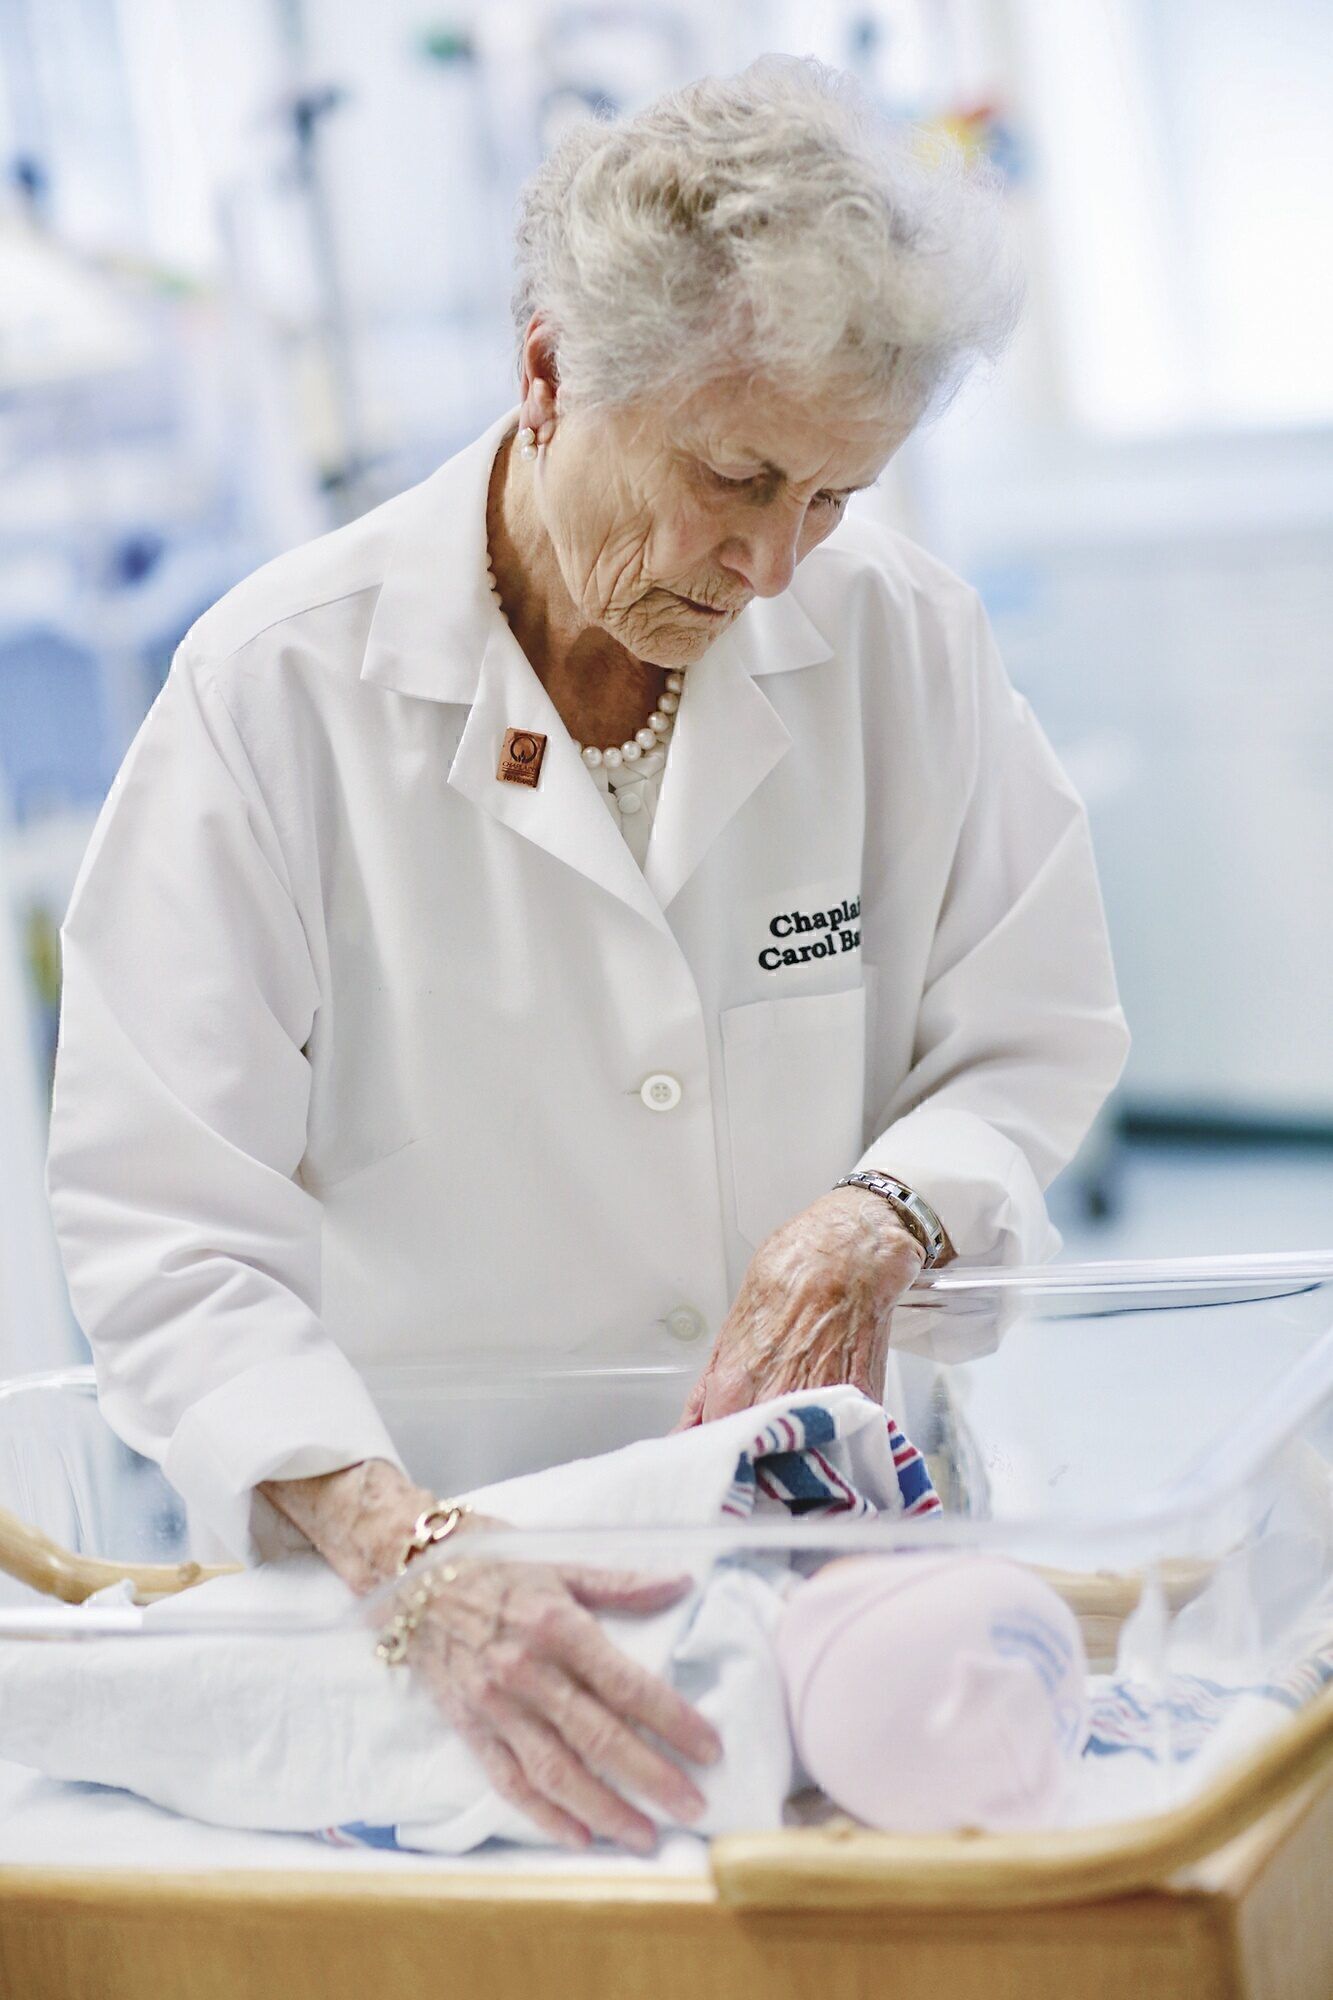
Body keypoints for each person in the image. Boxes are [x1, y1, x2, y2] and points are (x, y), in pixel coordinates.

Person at [45, 58, 1129, 1851]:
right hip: (461, 1609)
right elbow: (165, 1229)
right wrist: (413, 1562)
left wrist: (889, 1210)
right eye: (734, 474)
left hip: (842, 1575)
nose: (773, 565)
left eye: (834, 500)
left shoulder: (898, 641)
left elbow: (1028, 1031)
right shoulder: (275, 696)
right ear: (547, 372)